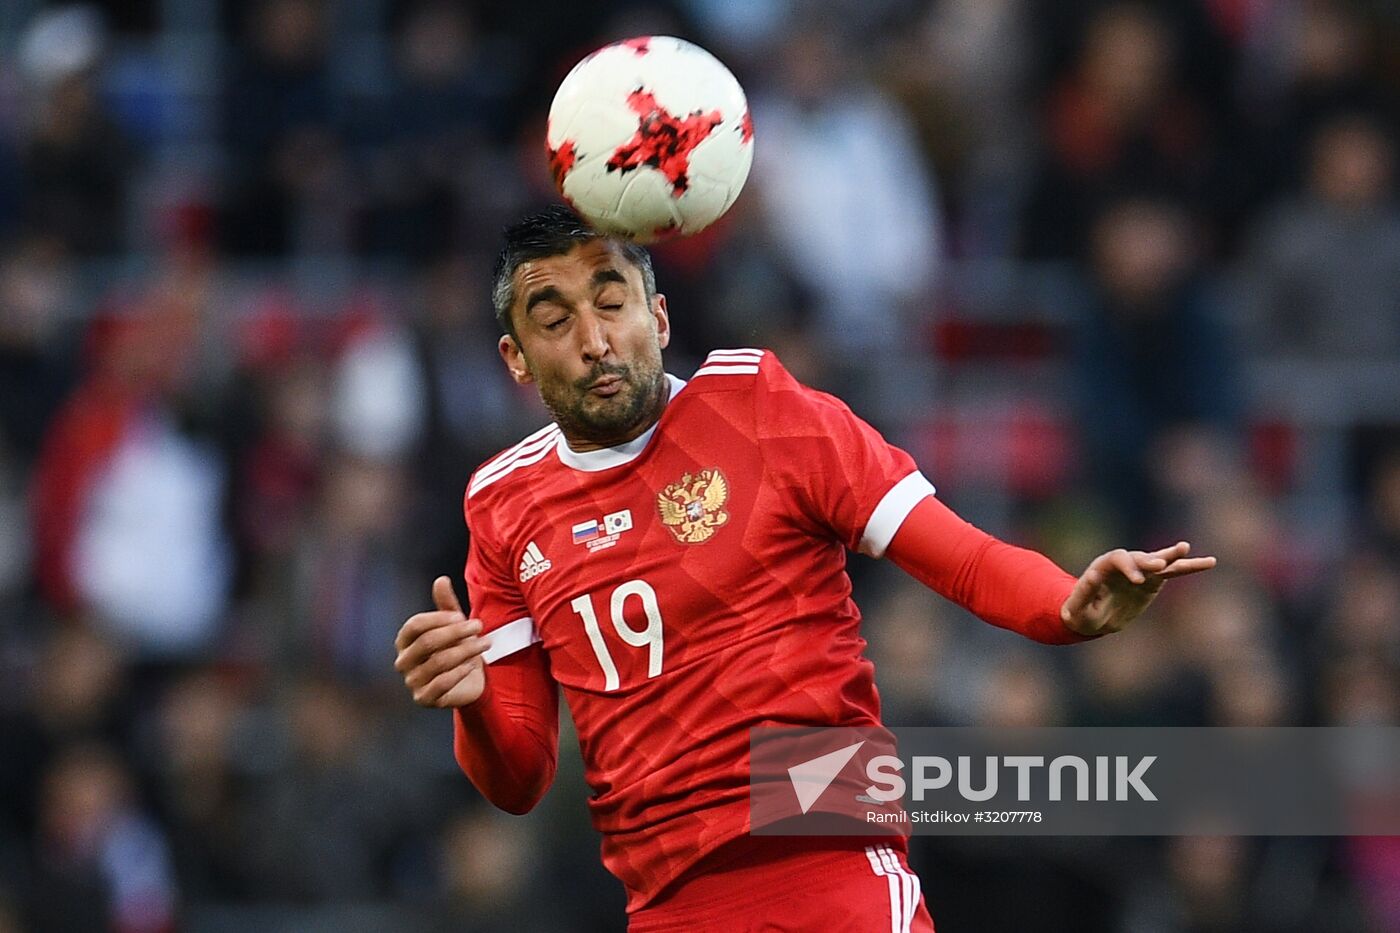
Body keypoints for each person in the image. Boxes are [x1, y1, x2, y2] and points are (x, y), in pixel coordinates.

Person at [393, 205, 1216, 931]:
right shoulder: (502, 503)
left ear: (660, 316)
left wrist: (1064, 606)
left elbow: (959, 554)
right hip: (668, 900)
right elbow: (518, 778)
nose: (596, 340)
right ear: (516, 358)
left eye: (613, 304)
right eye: (556, 320)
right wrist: (473, 704)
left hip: (830, 857)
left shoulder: (760, 407)